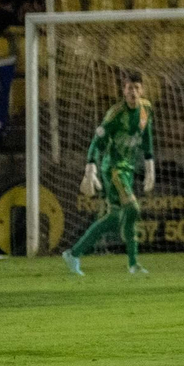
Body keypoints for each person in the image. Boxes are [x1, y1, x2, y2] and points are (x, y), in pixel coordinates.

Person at [62, 70, 156, 276]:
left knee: (115, 217)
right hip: (113, 169)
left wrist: (150, 166)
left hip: (129, 169)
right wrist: (90, 167)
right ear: (124, 90)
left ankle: (74, 253)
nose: (133, 92)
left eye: (137, 88)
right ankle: (132, 263)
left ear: (142, 90)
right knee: (132, 208)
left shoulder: (146, 109)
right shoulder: (115, 114)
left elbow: (147, 137)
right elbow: (98, 140)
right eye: (129, 88)